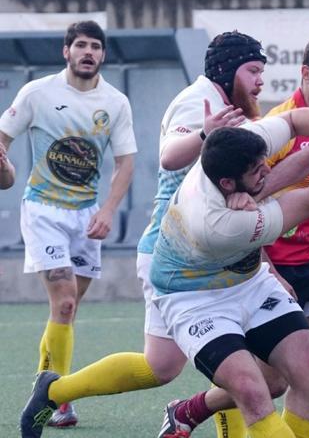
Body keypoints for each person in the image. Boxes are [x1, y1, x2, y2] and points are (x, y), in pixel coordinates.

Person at [17, 31, 267, 438]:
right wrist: (205, 135)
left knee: (168, 366)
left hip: (208, 251)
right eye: (253, 70)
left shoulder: (229, 105)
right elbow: (170, 156)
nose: (260, 81)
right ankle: (56, 390)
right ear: (227, 70)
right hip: (175, 252)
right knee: (190, 362)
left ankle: (56, 390)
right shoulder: (199, 101)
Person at [206, 34, 309, 438]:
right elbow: (244, 205)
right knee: (271, 381)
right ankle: (193, 411)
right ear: (305, 74)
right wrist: (268, 269)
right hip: (270, 266)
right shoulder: (276, 127)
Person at [1, 21, 137, 429]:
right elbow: (2, 140)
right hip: (43, 209)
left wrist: (108, 210)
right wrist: (4, 167)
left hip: (85, 215)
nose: (88, 52)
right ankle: (58, 401)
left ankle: (45, 385)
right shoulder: (37, 93)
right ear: (66, 51)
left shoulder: (115, 102)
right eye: (80, 45)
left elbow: (126, 161)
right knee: (62, 301)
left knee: (67, 309)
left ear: (103, 54)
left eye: (95, 46)